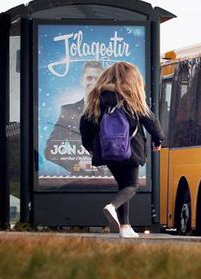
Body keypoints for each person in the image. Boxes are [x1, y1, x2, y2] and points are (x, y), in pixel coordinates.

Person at [79, 62, 165, 238]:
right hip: (130, 150)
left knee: (122, 185)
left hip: (107, 152)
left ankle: (125, 227)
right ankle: (112, 206)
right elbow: (151, 121)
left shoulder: (98, 96)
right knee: (131, 186)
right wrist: (158, 139)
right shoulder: (131, 96)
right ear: (132, 78)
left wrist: (91, 148)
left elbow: (85, 125)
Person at [45, 61, 104, 173]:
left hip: (111, 180)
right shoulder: (68, 111)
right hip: (78, 180)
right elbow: (50, 150)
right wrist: (76, 165)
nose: (92, 82)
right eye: (89, 78)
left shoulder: (113, 111)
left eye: (97, 79)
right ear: (82, 81)